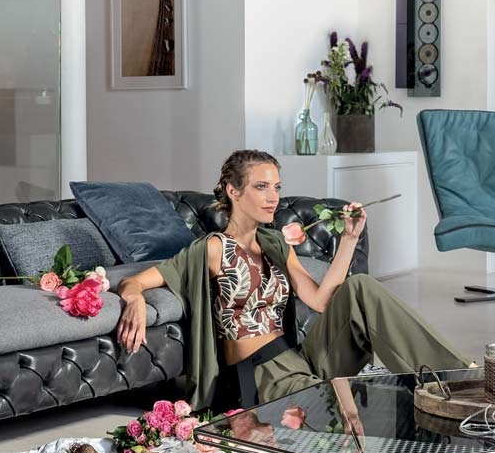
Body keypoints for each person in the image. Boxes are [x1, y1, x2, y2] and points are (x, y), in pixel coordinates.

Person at [115, 149, 470, 410]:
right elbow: (134, 282)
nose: (273, 197)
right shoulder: (212, 248)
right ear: (233, 191)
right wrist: (134, 300)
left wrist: (349, 239)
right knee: (339, 419)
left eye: (277, 187)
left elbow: (319, 301)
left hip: (300, 356)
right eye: (261, 187)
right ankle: (446, 397)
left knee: (360, 286)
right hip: (261, 373)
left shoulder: (274, 243)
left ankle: (460, 379)